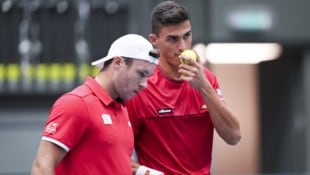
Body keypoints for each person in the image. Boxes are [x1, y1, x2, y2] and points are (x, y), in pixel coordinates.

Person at [126, 1, 242, 175]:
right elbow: (115, 155)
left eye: (187, 36)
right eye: (172, 39)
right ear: (154, 41)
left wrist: (204, 86)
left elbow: (234, 136)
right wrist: (147, 173)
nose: (182, 47)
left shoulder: (207, 79)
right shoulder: (140, 86)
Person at [31, 34, 158, 175]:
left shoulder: (122, 108)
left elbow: (109, 162)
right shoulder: (76, 103)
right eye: (141, 74)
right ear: (118, 63)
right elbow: (42, 167)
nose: (145, 84)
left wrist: (143, 172)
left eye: (148, 77)